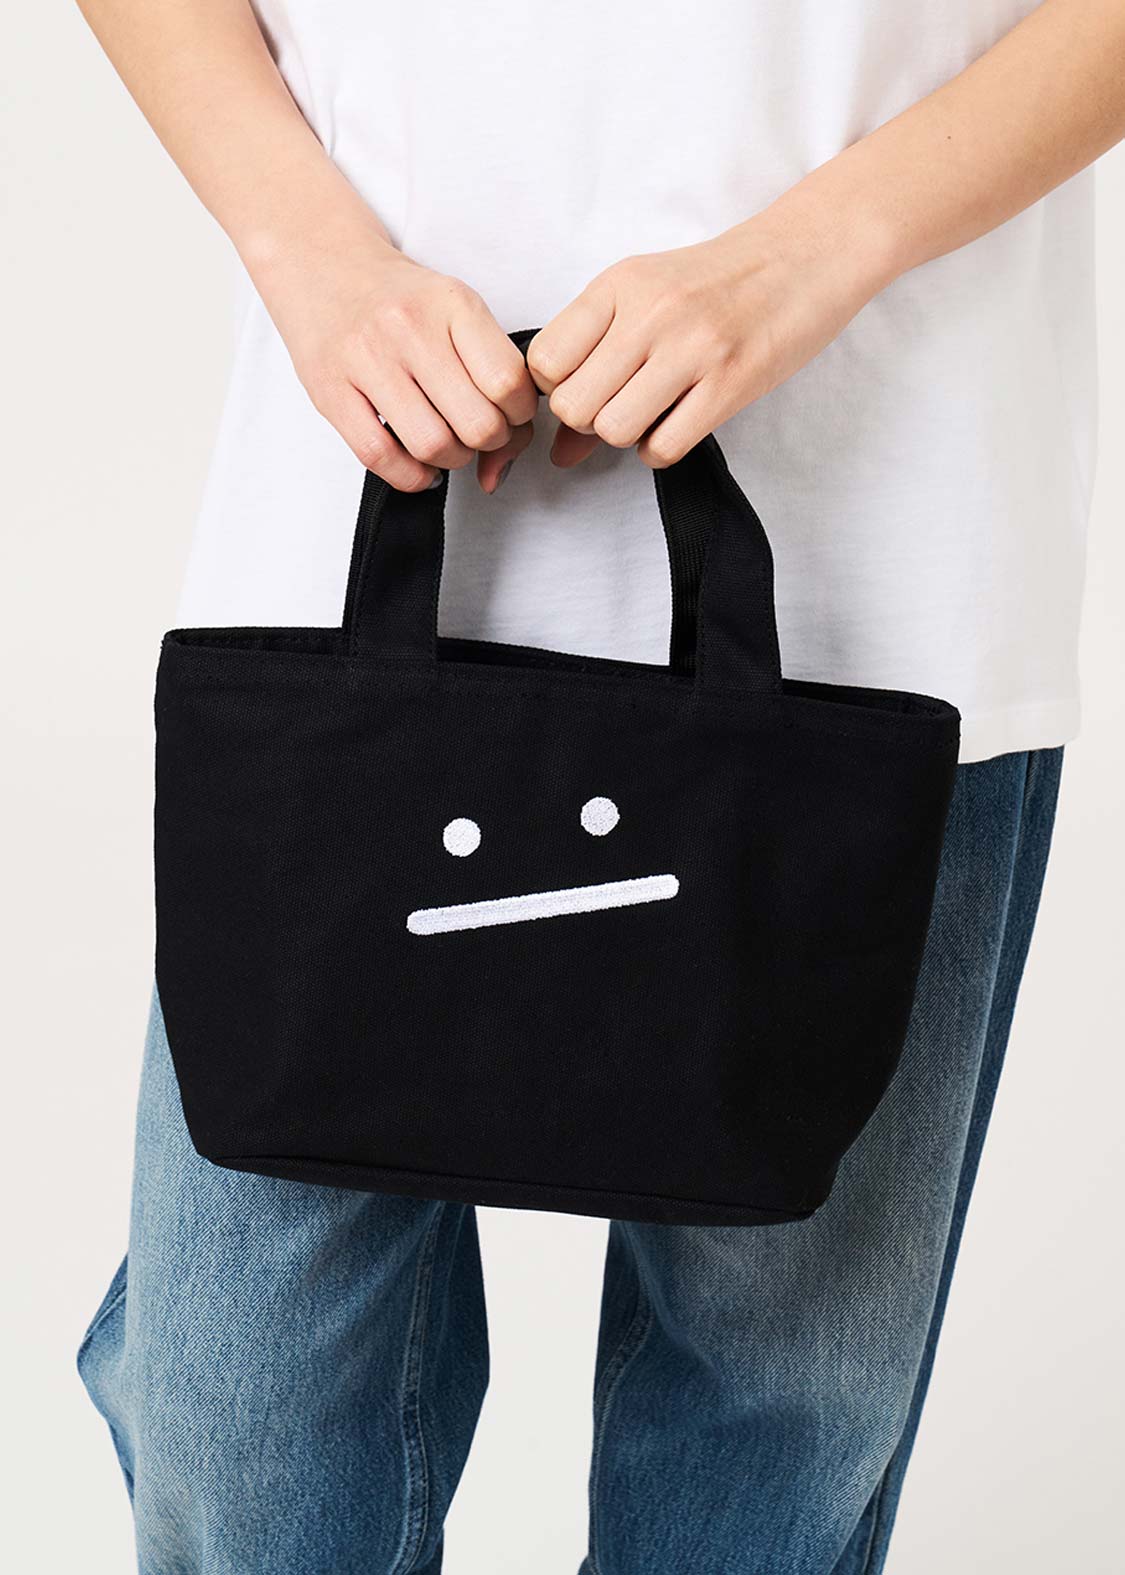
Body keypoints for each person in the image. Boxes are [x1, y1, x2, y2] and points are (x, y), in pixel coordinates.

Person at [74, 0, 1123, 1569]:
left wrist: (811, 252)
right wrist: (306, 246)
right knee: (238, 1406)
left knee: (775, 1418)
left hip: (880, 540)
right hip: (355, 484)